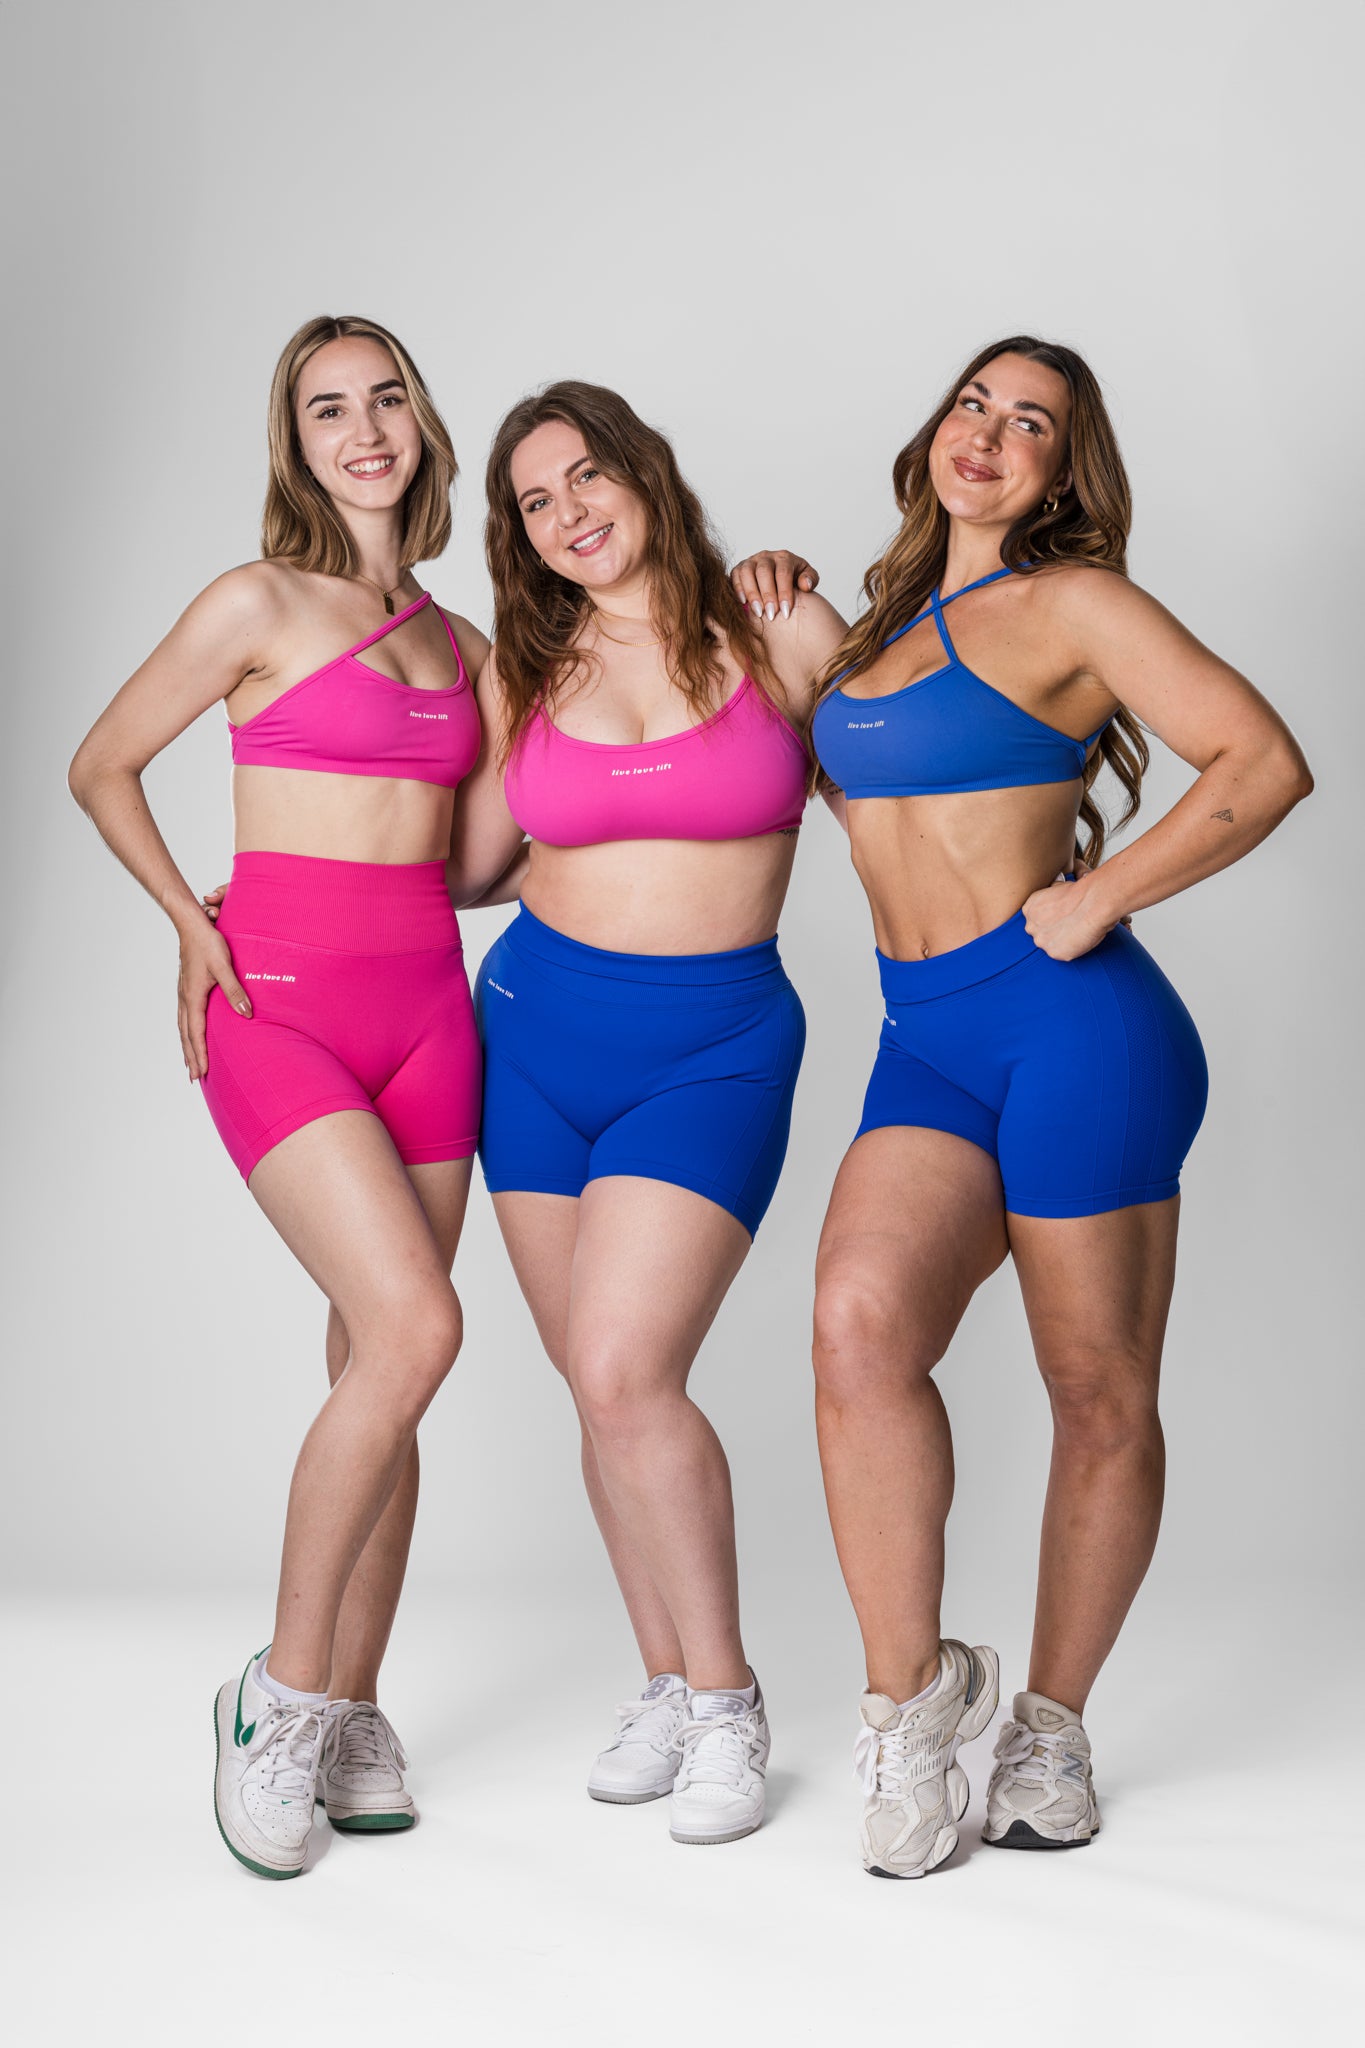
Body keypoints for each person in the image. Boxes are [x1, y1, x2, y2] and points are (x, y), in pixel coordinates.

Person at [731, 334, 1312, 1878]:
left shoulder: (1072, 604)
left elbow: (1260, 760)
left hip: (1074, 1034)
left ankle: (1050, 1727)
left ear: (1063, 469)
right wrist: (783, 623)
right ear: (933, 431)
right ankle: (912, 1710)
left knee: (1094, 1390)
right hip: (924, 1038)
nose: (987, 434)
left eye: (1030, 422)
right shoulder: (882, 630)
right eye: (970, 404)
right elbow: (865, 800)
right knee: (856, 1325)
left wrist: (1101, 894)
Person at [68, 313, 508, 1879]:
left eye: (386, 399)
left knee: (378, 1366)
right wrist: (190, 926)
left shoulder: (465, 647)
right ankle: (280, 1695)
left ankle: (356, 1707)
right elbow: (101, 763)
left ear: (422, 424)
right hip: (280, 1012)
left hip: (428, 1019)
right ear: (297, 444)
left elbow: (477, 865)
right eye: (329, 409)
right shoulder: (253, 600)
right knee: (417, 1330)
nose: (364, 429)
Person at [448, 380, 846, 1844]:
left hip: (713, 1048)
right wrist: (288, 881)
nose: (568, 515)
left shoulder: (777, 627)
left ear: (644, 472)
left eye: (586, 478)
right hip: (532, 1039)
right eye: (534, 502)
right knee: (594, 1387)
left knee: (626, 1368)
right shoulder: (528, 666)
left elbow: (903, 813)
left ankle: (728, 1700)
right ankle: (666, 1683)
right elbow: (469, 868)